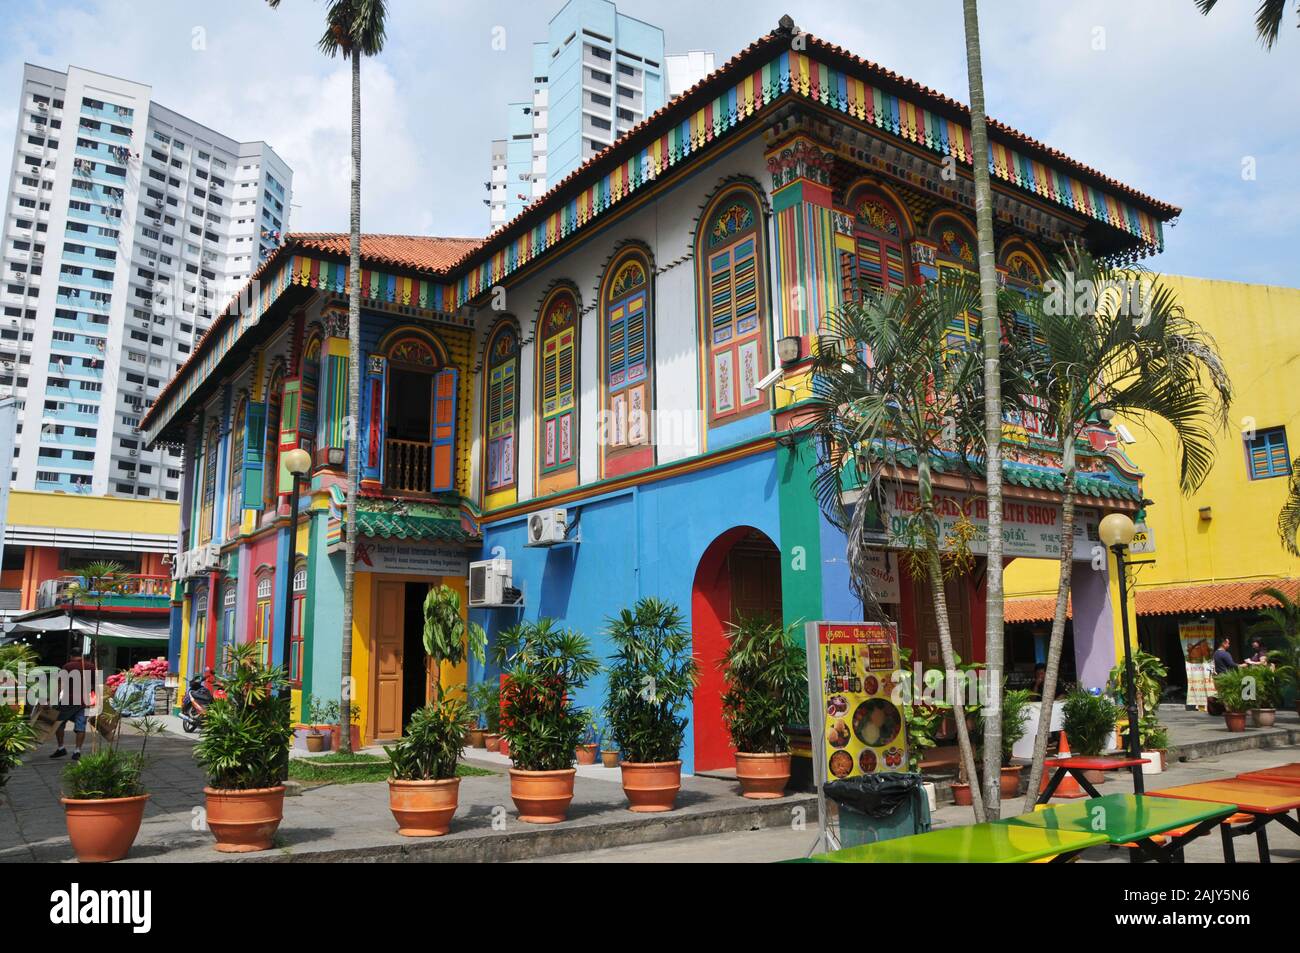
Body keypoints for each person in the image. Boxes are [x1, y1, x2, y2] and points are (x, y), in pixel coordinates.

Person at [50, 644, 96, 761]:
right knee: (81, 726)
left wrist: (52, 699)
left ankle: (61, 748)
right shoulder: (91, 667)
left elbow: (61, 684)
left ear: (71, 656)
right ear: (81, 655)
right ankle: (77, 751)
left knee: (59, 724)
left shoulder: (67, 666)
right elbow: (96, 685)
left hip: (68, 700)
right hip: (84, 701)